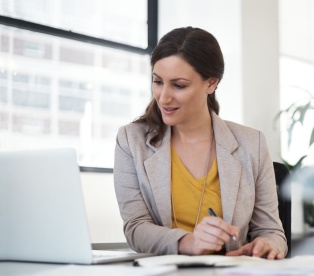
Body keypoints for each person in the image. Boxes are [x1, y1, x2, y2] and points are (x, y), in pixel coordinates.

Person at [114, 26, 287, 260]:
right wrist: (189, 242)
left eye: (179, 85)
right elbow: (136, 228)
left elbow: (272, 232)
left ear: (211, 83)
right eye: (158, 81)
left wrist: (267, 245)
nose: (163, 97)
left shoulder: (251, 143)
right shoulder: (131, 141)